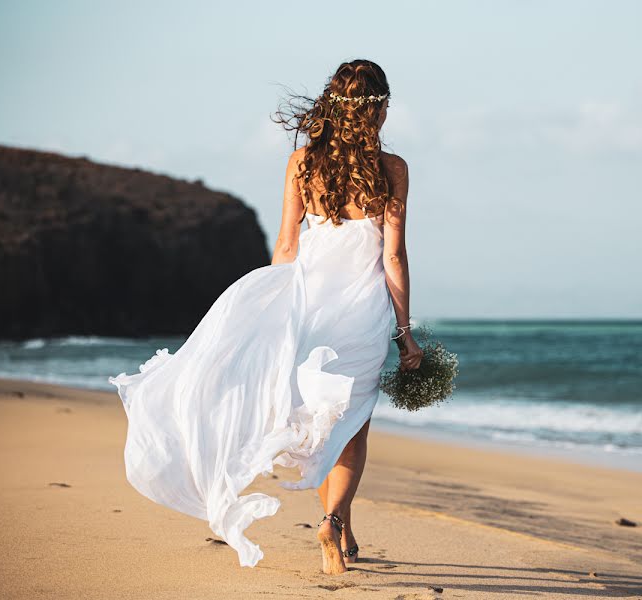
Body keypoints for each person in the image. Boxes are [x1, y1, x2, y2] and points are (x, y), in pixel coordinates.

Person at [109, 59, 422, 575]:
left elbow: (286, 244)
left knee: (323, 422)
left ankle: (338, 525)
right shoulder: (394, 170)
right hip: (362, 312)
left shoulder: (302, 162)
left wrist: (272, 312)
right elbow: (393, 257)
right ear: (380, 109)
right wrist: (406, 334)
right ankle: (334, 519)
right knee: (352, 425)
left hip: (308, 308)